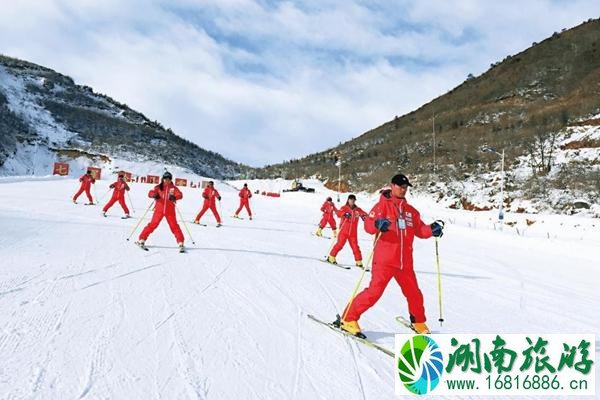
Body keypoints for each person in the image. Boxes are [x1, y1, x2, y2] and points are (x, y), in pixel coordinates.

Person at [337, 173, 444, 336]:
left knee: (414, 293)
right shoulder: (381, 207)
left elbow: (420, 230)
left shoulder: (411, 212)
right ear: (392, 186)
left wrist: (432, 229)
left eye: (405, 187)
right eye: (400, 186)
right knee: (374, 292)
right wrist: (377, 224)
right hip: (384, 260)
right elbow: (368, 225)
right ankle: (348, 318)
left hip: (404, 263)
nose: (403, 190)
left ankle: (419, 322)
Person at [137, 171, 185, 250]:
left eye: (169, 179)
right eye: (165, 179)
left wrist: (175, 197)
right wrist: (154, 195)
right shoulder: (158, 187)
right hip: (159, 210)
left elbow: (180, 194)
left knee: (174, 226)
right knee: (153, 224)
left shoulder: (173, 188)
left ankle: (181, 242)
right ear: (163, 179)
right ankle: (142, 239)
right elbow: (150, 193)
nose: (167, 180)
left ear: (171, 180)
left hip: (170, 211)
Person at [326, 194, 367, 267]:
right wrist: (344, 214)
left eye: (353, 200)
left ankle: (359, 261)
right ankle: (331, 257)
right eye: (351, 200)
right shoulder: (344, 208)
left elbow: (364, 214)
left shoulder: (358, 210)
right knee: (340, 244)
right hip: (343, 231)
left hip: (353, 233)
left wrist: (364, 217)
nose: (352, 201)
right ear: (348, 200)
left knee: (355, 247)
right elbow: (338, 213)